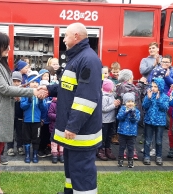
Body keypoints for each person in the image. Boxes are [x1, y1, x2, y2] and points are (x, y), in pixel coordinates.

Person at [41, 22, 103, 194]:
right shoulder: (77, 57)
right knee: (71, 169)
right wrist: (49, 89)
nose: (63, 38)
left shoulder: (88, 60)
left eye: (66, 35)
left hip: (81, 132)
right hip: (74, 130)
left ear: (76, 36)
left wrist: (73, 125)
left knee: (82, 172)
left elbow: (87, 98)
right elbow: (68, 86)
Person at [0, 31, 45, 194]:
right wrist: (31, 91)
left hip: (0, 113)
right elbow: (4, 88)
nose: (9, 48)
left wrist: (18, 93)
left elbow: (5, 88)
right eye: (6, 45)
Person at [20, 71, 47, 163]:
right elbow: (22, 106)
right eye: (32, 82)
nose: (34, 84)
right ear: (28, 83)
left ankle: (35, 154)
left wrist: (40, 102)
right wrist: (28, 101)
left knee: (36, 138)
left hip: (37, 121)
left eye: (36, 82)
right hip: (26, 121)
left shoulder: (41, 93)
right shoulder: (25, 93)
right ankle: (27, 155)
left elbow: (44, 108)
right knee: (26, 138)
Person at [142, 77, 169, 166]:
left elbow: (165, 108)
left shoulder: (164, 97)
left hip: (160, 122)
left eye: (155, 87)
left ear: (160, 87)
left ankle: (158, 156)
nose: (153, 88)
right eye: (152, 86)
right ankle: (146, 156)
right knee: (147, 140)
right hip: (149, 121)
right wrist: (149, 99)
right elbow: (144, 106)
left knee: (159, 141)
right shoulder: (149, 95)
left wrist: (158, 100)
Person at [116, 93, 140, 168]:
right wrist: (125, 113)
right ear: (124, 102)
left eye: (132, 101)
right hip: (122, 132)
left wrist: (132, 115)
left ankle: (130, 161)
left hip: (132, 133)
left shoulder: (136, 111)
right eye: (128, 101)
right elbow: (119, 117)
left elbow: (136, 120)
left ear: (134, 103)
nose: (130, 103)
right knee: (122, 147)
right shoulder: (122, 109)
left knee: (131, 148)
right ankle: (120, 160)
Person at [98, 79, 118, 161]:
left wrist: (116, 104)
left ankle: (107, 149)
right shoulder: (104, 97)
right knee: (103, 136)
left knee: (109, 136)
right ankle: (100, 150)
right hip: (104, 121)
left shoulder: (112, 96)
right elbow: (104, 109)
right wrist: (114, 105)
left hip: (111, 120)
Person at [37, 69, 52, 158]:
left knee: (48, 135)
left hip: (49, 120)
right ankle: (40, 149)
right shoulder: (40, 96)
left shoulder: (51, 96)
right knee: (41, 136)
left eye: (47, 76)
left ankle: (46, 148)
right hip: (41, 119)